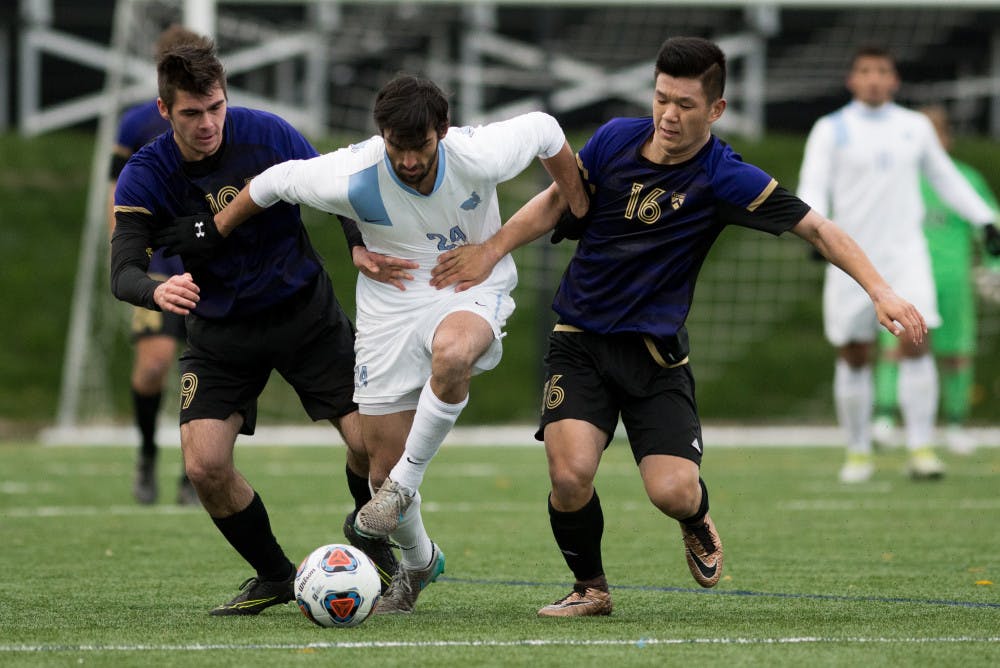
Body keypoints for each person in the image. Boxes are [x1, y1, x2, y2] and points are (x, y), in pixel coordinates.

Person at [426, 36, 929, 617]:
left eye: (686, 105)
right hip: (581, 342)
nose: (668, 115)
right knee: (569, 476)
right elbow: (557, 202)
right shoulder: (615, 137)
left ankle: (694, 516)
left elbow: (819, 230)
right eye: (662, 98)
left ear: (715, 110)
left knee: (671, 491)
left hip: (656, 357)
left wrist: (881, 290)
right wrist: (490, 250)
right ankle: (591, 587)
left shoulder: (724, 177)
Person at [156, 74, 590, 614]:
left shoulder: (478, 154)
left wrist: (573, 205)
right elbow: (271, 183)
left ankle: (406, 485)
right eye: (396, 147)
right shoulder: (353, 171)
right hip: (388, 304)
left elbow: (547, 130)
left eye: (421, 147)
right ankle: (419, 563)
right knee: (376, 469)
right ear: (381, 134)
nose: (408, 160)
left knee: (451, 357)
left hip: (470, 284)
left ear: (444, 131)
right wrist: (215, 231)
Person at [109, 35, 399, 616]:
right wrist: (156, 287)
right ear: (165, 111)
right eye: (191, 113)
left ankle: (369, 539)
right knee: (204, 465)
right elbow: (122, 270)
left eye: (215, 107)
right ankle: (273, 574)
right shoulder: (146, 174)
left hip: (304, 315)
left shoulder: (268, 133)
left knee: (371, 449)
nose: (208, 123)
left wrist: (357, 248)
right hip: (220, 333)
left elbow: (335, 186)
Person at [798, 46, 1000, 483]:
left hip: (907, 255)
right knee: (854, 354)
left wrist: (983, 219)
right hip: (850, 259)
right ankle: (857, 452)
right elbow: (812, 182)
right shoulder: (831, 129)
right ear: (852, 80)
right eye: (865, 71)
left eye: (882, 71)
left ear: (894, 80)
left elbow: (944, 176)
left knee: (916, 341)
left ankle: (922, 449)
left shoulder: (914, 128)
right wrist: (813, 232)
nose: (873, 78)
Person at [873, 105, 1000, 456]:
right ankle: (885, 418)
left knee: (956, 354)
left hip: (952, 280)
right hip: (904, 278)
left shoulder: (965, 179)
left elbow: (989, 223)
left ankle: (956, 425)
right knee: (897, 346)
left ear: (945, 138)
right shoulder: (895, 179)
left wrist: (994, 266)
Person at [109, 25, 200, 506]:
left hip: (210, 263)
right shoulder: (136, 125)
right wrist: (124, 250)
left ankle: (198, 470)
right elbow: (117, 190)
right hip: (160, 262)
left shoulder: (227, 125)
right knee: (155, 364)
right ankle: (147, 455)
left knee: (207, 368)